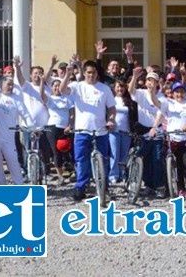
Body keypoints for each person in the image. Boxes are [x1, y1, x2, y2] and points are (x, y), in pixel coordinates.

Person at [60, 61, 116, 201]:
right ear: (84, 73)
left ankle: (104, 188)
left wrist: (111, 120)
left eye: (94, 72)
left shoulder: (104, 88)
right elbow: (62, 90)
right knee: (81, 160)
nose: (91, 75)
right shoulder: (77, 86)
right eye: (89, 72)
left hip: (100, 130)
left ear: (97, 73)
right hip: (82, 130)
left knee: (103, 160)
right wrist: (68, 74)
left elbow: (111, 108)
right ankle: (81, 187)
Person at [0, 46, 32, 185]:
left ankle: (19, 187)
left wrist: (32, 127)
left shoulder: (16, 99)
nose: (10, 86)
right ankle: (2, 189)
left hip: (9, 138)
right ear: (1, 84)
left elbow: (26, 115)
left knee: (14, 164)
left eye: (12, 84)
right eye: (8, 83)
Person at [151, 82, 186, 203]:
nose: (179, 94)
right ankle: (181, 189)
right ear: (173, 93)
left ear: (185, 92)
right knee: (178, 166)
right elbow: (156, 103)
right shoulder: (168, 103)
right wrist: (152, 90)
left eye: (181, 92)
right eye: (177, 92)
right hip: (174, 139)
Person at [129, 67, 166, 198]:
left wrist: (154, 128)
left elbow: (160, 113)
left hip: (156, 132)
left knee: (156, 160)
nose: (150, 82)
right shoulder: (141, 93)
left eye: (153, 80)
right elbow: (130, 90)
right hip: (143, 131)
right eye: (148, 80)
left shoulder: (162, 97)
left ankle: (159, 186)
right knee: (143, 159)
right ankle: (148, 185)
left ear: (157, 83)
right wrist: (134, 76)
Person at [44, 77, 75, 186]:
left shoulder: (67, 98)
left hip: (65, 128)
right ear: (51, 88)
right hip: (52, 127)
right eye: (55, 86)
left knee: (68, 150)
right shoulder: (49, 98)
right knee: (56, 152)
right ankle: (60, 176)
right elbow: (41, 95)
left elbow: (72, 114)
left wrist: (69, 125)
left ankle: (72, 171)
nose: (57, 88)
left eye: (59, 85)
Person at [109, 80, 136, 183]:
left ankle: (122, 174)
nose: (120, 89)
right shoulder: (111, 100)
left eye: (122, 87)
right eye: (118, 87)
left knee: (124, 155)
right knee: (114, 154)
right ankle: (113, 175)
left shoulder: (129, 101)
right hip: (114, 131)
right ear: (114, 88)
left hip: (126, 131)